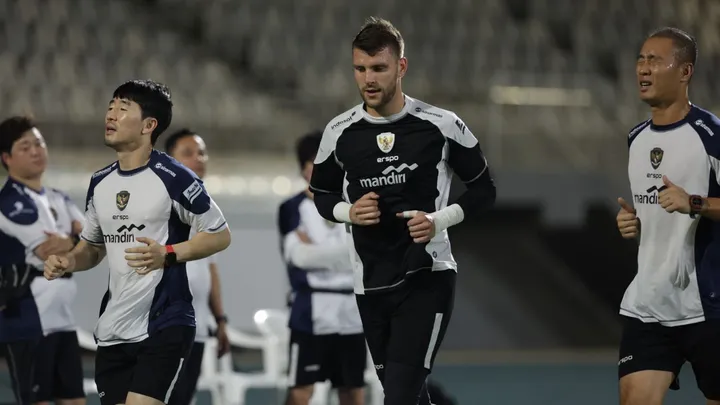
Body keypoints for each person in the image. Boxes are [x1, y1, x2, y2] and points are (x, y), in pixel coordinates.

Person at [308, 17, 496, 405]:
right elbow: (322, 192)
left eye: (379, 68)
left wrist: (438, 221)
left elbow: (484, 190)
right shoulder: (338, 131)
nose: (368, 79)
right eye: (360, 69)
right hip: (370, 283)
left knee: (398, 395)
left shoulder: (441, 125)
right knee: (407, 396)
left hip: (426, 276)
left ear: (401, 67)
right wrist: (348, 212)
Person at [42, 79, 231, 405]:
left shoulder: (175, 176)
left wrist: (169, 253)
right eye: (111, 107)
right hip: (114, 328)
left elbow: (220, 234)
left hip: (165, 324)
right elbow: (93, 247)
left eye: (123, 108)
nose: (111, 115)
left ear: (149, 125)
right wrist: (69, 260)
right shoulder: (99, 182)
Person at [616, 27, 720, 405]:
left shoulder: (711, 136)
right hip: (649, 304)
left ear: (685, 72)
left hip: (707, 306)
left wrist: (695, 202)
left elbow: (688, 205)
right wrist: (635, 224)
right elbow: (656, 214)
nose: (643, 68)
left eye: (655, 60)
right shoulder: (636, 137)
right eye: (641, 59)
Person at [0, 116, 86, 405]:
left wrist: (72, 242)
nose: (36, 150)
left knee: (74, 399)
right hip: (29, 318)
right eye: (25, 146)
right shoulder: (10, 203)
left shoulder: (59, 198)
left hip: (62, 319)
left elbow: (98, 242)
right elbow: (51, 251)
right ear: (6, 158)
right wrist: (75, 241)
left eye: (39, 143)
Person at [278, 131, 366, 405]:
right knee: (301, 390)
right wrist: (345, 255)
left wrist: (318, 252)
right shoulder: (292, 208)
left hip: (352, 313)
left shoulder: (355, 207)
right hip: (310, 311)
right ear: (304, 169)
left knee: (352, 390)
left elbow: (363, 255)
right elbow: (298, 257)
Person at [164, 128, 230, 405]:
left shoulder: (205, 207)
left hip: (198, 325)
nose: (198, 158)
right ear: (169, 161)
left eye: (201, 152)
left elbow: (210, 269)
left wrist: (220, 319)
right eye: (188, 153)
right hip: (166, 324)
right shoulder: (161, 203)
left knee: (184, 398)